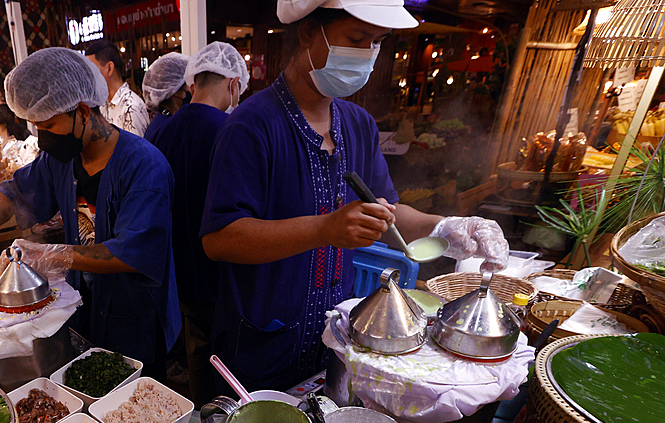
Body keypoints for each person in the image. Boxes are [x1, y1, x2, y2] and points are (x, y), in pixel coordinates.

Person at [200, 0, 510, 391]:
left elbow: (386, 211)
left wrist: (448, 227)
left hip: (335, 337)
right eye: (357, 38)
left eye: (377, 41)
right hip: (261, 343)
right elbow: (220, 239)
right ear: (309, 33)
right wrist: (324, 229)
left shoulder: (358, 125)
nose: (366, 54)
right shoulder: (251, 126)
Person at [0, 48, 180, 377]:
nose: (43, 138)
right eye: (36, 126)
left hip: (136, 318)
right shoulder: (62, 160)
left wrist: (54, 255)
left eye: (49, 125)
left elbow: (131, 253)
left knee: (133, 407)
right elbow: (14, 190)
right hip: (86, 310)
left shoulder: (144, 168)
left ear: (82, 111)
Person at [146, 42, 249, 407]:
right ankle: (231, 422)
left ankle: (205, 417)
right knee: (230, 362)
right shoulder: (231, 131)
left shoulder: (160, 131)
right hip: (222, 273)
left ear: (192, 84)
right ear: (234, 84)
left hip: (179, 270)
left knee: (198, 355)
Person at [84, 39, 150, 137]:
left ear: (109, 68)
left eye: (91, 70)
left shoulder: (131, 107)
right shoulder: (101, 104)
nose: (88, 76)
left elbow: (135, 150)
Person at [142, 52, 190, 144]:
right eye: (189, 83)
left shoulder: (164, 122)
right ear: (176, 91)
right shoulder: (168, 130)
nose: (193, 89)